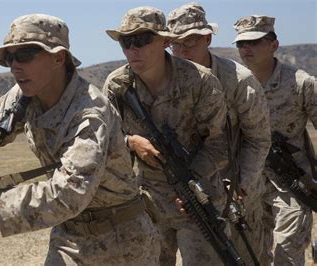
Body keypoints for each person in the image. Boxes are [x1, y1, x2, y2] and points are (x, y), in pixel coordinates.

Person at [0, 14, 160, 265]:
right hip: (70, 237)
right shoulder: (26, 90)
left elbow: (68, 194)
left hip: (123, 242)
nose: (15, 66)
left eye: (26, 55)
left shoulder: (89, 114)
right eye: (10, 58)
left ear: (58, 58)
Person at [103, 6, 228, 265]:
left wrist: (193, 183)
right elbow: (104, 141)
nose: (132, 49)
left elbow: (218, 142)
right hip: (146, 203)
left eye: (142, 39)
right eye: (126, 42)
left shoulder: (200, 81)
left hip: (196, 198)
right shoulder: (117, 85)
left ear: (165, 41)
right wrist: (130, 142)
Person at [167, 3, 271, 265]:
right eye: (175, 44)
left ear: (207, 38)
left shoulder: (239, 80)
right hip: (186, 194)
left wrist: (241, 185)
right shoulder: (165, 81)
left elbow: (258, 139)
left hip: (236, 195)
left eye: (189, 41)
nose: (181, 50)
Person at [233, 15, 316, 266]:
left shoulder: (302, 83)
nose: (246, 49)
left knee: (287, 255)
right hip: (248, 184)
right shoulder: (232, 84)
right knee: (252, 256)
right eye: (241, 44)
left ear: (274, 45)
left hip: (291, 184)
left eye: (255, 42)